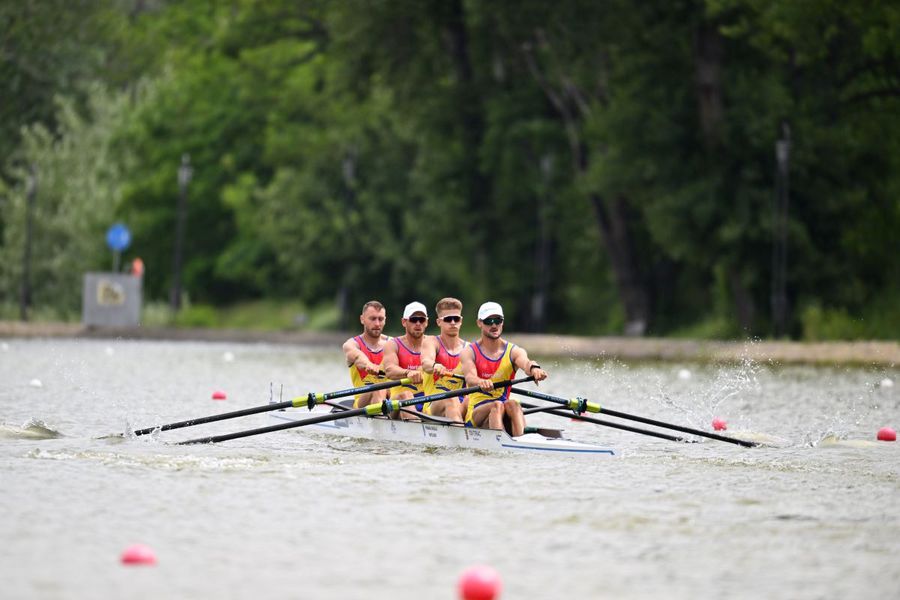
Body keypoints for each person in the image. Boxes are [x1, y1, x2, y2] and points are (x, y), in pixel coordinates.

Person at [461, 301, 548, 437]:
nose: (494, 325)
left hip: (502, 409)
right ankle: (501, 442)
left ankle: (521, 440)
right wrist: (481, 382)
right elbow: (470, 378)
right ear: (479, 323)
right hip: (476, 414)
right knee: (497, 405)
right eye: (489, 321)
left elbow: (526, 363)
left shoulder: (513, 351)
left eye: (498, 320)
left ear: (502, 322)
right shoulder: (469, 351)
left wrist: (535, 369)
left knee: (513, 403)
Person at [420, 297, 469, 422]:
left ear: (461, 321)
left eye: (456, 319)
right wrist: (435, 366)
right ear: (438, 322)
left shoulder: (469, 348)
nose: (453, 322)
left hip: (461, 405)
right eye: (448, 319)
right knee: (451, 398)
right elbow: (426, 363)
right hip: (433, 405)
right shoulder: (431, 342)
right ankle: (462, 437)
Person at [382, 301, 429, 420]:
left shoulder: (433, 344)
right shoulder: (393, 345)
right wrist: (408, 373)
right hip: (398, 401)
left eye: (422, 320)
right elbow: (390, 370)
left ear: (426, 322)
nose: (418, 323)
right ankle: (417, 431)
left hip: (427, 399)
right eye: (413, 319)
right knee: (406, 395)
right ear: (404, 322)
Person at [342, 300, 391, 408]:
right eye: (372, 319)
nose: (377, 324)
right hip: (362, 401)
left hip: (390, 398)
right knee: (378, 388)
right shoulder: (352, 344)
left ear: (385, 320)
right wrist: (369, 365)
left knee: (406, 394)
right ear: (362, 319)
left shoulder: (393, 344)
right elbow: (358, 357)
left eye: (380, 319)